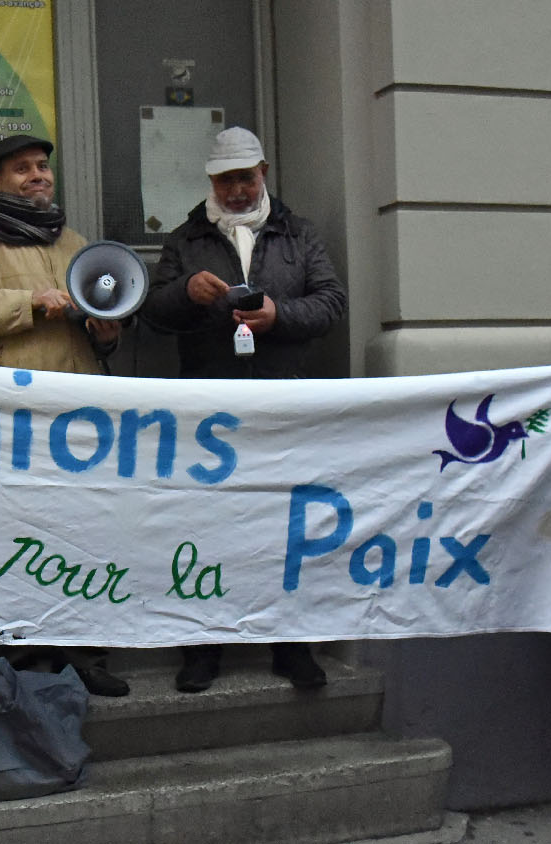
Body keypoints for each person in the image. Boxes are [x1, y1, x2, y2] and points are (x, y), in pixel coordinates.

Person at [141, 125, 346, 693]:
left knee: (287, 524)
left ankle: (291, 644)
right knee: (206, 525)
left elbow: (331, 302)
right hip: (209, 408)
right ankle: (204, 647)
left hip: (282, 401)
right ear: (211, 181)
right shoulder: (185, 239)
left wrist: (279, 315)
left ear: (264, 174)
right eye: (226, 180)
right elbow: (154, 314)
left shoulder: (299, 234)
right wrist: (186, 292)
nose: (236, 190)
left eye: (245, 178)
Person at [0, 134, 128, 696]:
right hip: (13, 412)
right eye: (21, 169)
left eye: (42, 166)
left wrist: (105, 331)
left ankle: (85, 652)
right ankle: (24, 651)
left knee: (81, 529)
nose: (37, 175)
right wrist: (30, 303)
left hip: (80, 411)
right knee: (20, 532)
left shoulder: (75, 242)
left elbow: (96, 318)